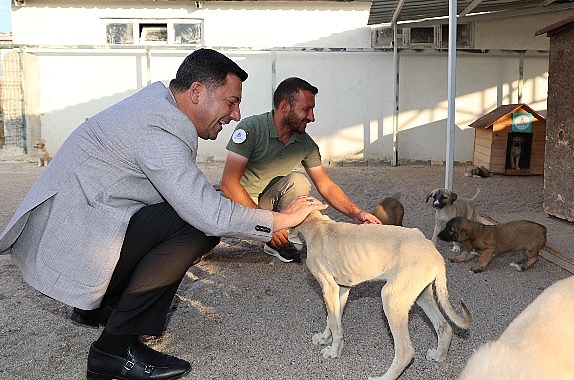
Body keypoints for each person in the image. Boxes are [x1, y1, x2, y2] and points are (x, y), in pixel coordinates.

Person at [0, 49, 326, 380]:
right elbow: (205, 213)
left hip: (83, 231)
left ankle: (97, 306)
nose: (235, 114)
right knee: (196, 223)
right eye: (230, 102)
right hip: (73, 248)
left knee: (194, 208)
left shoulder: (159, 108)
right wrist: (278, 221)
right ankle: (114, 350)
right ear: (197, 92)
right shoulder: (158, 125)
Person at [220, 77, 381, 263]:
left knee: (298, 181)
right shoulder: (251, 129)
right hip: (238, 204)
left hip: (265, 205)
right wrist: (265, 224)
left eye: (312, 110)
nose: (312, 117)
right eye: (306, 110)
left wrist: (358, 214)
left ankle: (279, 240)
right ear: (285, 107)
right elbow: (228, 184)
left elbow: (326, 186)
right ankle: (270, 232)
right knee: (203, 233)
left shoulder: (306, 144)